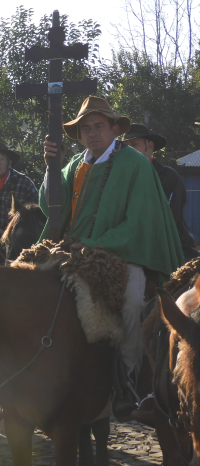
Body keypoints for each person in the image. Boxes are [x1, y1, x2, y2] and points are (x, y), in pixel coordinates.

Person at [41, 96, 182, 421]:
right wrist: (51, 169)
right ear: (78, 135)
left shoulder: (135, 163)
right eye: (86, 128)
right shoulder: (74, 165)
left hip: (122, 254)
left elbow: (138, 223)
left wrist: (94, 245)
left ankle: (127, 386)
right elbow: (53, 208)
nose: (92, 133)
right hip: (73, 252)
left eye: (99, 126)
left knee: (132, 301)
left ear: (114, 128)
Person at [122, 124, 199, 264]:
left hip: (173, 248)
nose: (129, 151)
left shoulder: (168, 176)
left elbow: (167, 220)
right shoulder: (119, 178)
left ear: (149, 147)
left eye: (134, 145)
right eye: (126, 147)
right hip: (131, 248)